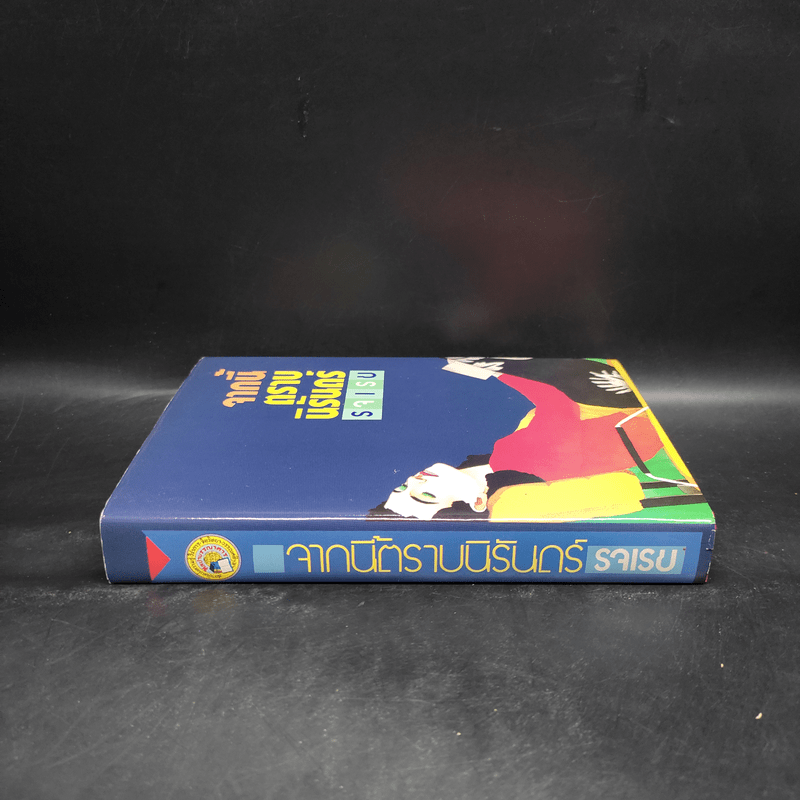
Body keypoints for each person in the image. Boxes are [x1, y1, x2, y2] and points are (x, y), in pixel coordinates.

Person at [371, 358, 669, 521]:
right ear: (476, 502)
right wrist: (485, 371)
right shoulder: (518, 465)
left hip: (619, 423)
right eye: (425, 496)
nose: (415, 480)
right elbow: (556, 403)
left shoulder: (499, 464)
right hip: (632, 423)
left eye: (402, 486)